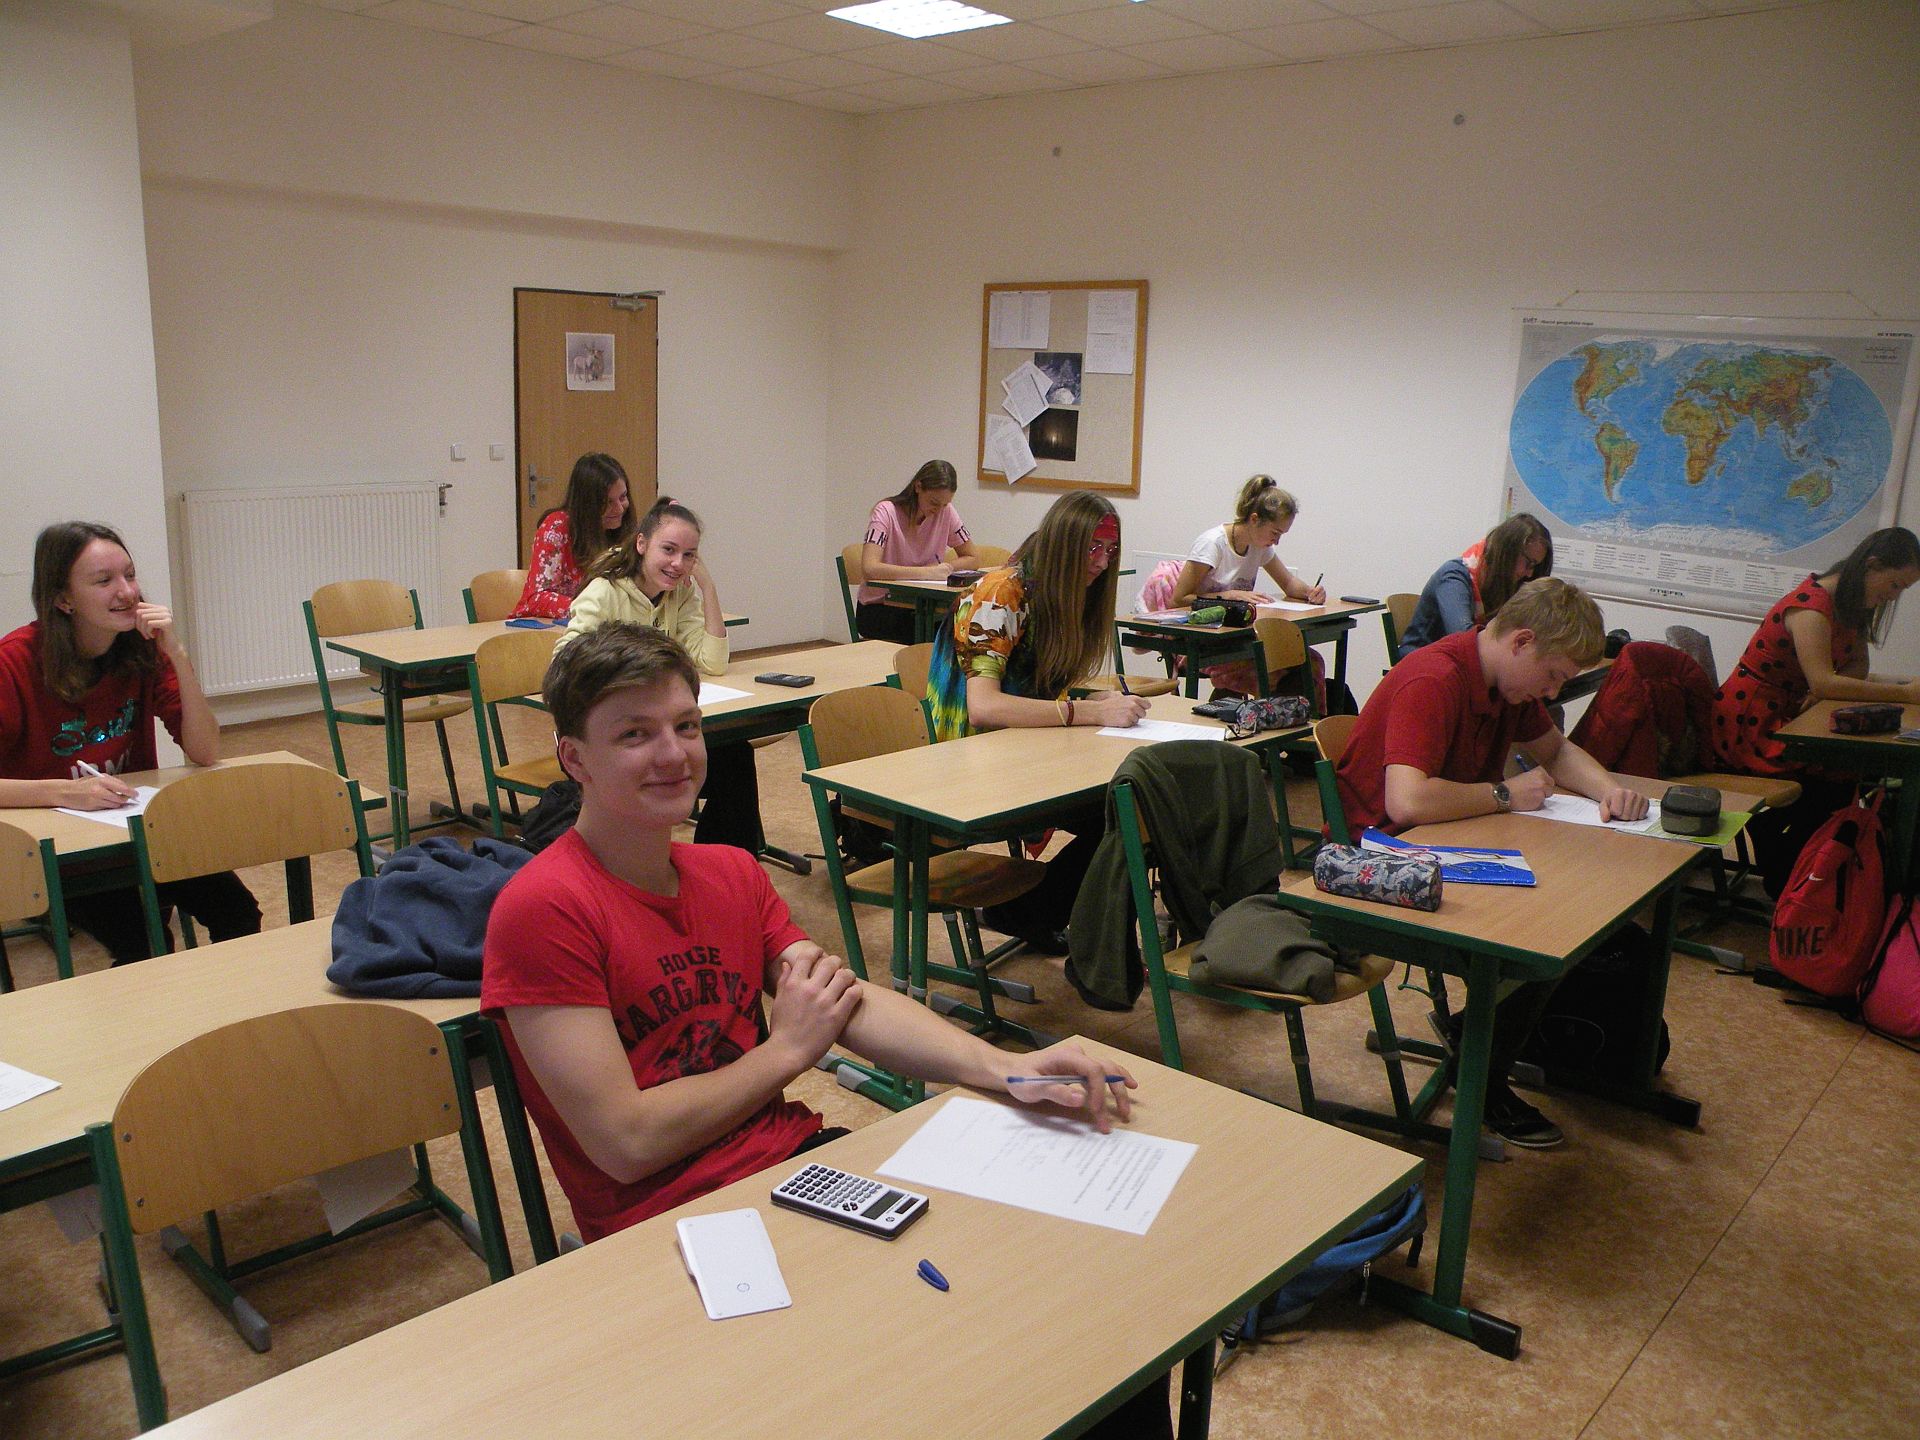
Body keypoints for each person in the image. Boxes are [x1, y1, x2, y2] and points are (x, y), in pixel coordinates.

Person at [481, 624, 1170, 1437]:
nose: (673, 754)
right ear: (574, 758)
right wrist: (787, 1051)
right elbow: (624, 1143)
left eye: (686, 726)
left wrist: (1002, 1069)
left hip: (797, 1173)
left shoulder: (727, 872)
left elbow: (848, 1004)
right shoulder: (543, 909)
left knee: (1090, 1334)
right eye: (635, 734)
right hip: (669, 1236)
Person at [1332, 577, 1650, 1149]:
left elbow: (1556, 750)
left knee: (1589, 916)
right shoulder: (1435, 679)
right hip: (1379, 862)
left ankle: (1476, 1035)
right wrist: (1504, 794)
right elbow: (1406, 801)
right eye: (1553, 676)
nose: (1552, 691)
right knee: (1548, 932)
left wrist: (1609, 790)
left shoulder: (1505, 685)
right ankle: (1484, 1077)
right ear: (1521, 642)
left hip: (1446, 841)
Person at [0, 522, 261, 963]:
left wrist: (177, 654)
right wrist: (67, 792)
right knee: (144, 945)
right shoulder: (14, 662)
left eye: (130, 575)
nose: (127, 592)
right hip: (62, 849)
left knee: (238, 914)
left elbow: (204, 751)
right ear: (63, 599)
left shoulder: (140, 648)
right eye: (104, 581)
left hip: (136, 830)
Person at [926, 493, 1149, 957]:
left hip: (1028, 752)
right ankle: (1038, 913)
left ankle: (1033, 910)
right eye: (1092, 548)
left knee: (1142, 807)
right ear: (1063, 544)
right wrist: (1087, 713)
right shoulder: (1000, 593)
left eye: (1110, 550)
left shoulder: (1065, 595)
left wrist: (1089, 701)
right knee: (1122, 815)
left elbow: (1041, 691)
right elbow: (983, 708)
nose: (1102, 562)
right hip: (970, 764)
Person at [1711, 526, 1920, 892]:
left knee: (1848, 780)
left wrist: (1830, 688)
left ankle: (1794, 870)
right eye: (1894, 585)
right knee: (1834, 784)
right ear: (1871, 565)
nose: (1893, 596)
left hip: (1787, 714)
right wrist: (1906, 693)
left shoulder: (1850, 607)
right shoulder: (1811, 606)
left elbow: (1857, 666)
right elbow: (1824, 682)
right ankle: (1785, 871)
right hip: (1752, 722)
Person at [562, 496, 759, 851]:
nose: (677, 563)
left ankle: (721, 863)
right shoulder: (605, 592)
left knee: (735, 756)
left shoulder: (678, 596)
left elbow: (713, 662)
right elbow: (567, 662)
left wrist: (708, 587)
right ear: (641, 544)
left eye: (689, 555)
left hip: (658, 729)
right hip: (617, 737)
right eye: (668, 549)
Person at [1136, 474, 1326, 699]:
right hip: (1205, 641)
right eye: (1275, 533)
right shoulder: (1212, 544)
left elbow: (1289, 583)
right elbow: (1179, 599)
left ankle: (1289, 718)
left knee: (1310, 661)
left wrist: (1310, 592)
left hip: (1236, 637)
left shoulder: (1260, 546)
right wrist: (1227, 596)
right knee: (1277, 671)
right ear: (1254, 519)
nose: (1277, 541)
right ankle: (1262, 715)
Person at [853, 459, 982, 644]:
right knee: (946, 635)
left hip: (919, 604)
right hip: (879, 607)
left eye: (945, 505)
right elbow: (869, 568)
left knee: (968, 628)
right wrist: (927, 572)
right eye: (934, 502)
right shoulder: (886, 512)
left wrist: (946, 568)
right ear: (918, 487)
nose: (938, 510)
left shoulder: (945, 511)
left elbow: (973, 557)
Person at [1398, 512, 1552, 655]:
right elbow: (1464, 640)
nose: (1530, 574)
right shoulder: (1453, 577)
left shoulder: (1503, 584)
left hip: (1453, 661)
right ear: (1508, 552)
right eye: (1529, 563)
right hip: (1422, 661)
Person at [511, 452, 635, 620]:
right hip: (544, 626)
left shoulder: (626, 532)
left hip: (598, 625)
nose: (619, 508)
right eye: (608, 502)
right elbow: (538, 598)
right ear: (587, 504)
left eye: (623, 497)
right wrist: (591, 608)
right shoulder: (556, 528)